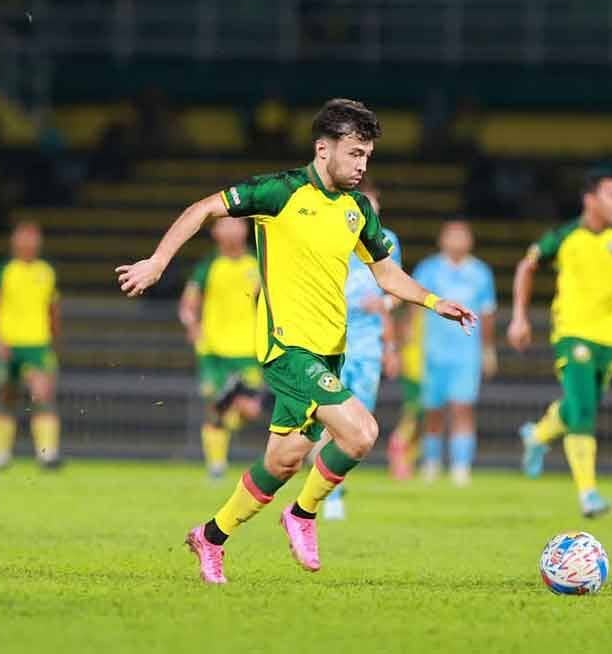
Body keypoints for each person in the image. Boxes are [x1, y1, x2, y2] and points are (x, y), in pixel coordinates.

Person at [115, 98, 477, 584]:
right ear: (323, 149)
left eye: (367, 156)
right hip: (287, 349)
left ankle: (210, 537)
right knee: (361, 432)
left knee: (283, 460)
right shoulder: (279, 192)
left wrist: (435, 302)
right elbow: (204, 208)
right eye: (354, 153)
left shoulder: (357, 210)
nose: (361, 165)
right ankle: (302, 514)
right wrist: (158, 262)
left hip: (330, 351)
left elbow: (387, 275)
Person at [507, 170, 612, 518]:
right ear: (590, 200)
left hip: (610, 339)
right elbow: (527, 266)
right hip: (572, 334)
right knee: (584, 411)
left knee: (578, 407)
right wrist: (519, 317)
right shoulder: (564, 236)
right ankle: (588, 494)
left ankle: (537, 436)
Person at [320, 178, 401, 520]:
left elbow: (396, 291)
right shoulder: (330, 235)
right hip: (330, 339)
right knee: (331, 419)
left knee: (359, 423)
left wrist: (385, 308)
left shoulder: (388, 241)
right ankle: (330, 494)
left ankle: (331, 485)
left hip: (368, 344)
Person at [412, 219, 498, 486]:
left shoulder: (481, 273)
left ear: (470, 241)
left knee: (463, 408)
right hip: (432, 351)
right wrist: (409, 344)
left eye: (462, 236)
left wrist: (488, 350)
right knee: (433, 410)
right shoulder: (428, 269)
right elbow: (414, 308)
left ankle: (461, 466)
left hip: (466, 354)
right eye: (452, 235)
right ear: (442, 240)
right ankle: (431, 462)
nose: (457, 241)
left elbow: (487, 314)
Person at [178, 217, 265, 480]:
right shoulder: (208, 266)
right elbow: (188, 303)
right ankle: (216, 466)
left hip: (248, 350)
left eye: (236, 224)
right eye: (224, 225)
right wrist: (192, 324)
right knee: (215, 406)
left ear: (245, 229)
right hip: (213, 351)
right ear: (215, 232)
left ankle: (224, 428)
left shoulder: (258, 263)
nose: (231, 229)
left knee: (250, 409)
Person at [0, 221, 61, 469]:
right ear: (14, 241)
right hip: (8, 343)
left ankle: (47, 454)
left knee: (42, 395)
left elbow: (53, 309)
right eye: (23, 238)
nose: (28, 243)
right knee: (6, 396)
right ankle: (0, 454)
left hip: (38, 344)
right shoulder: (2, 271)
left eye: (32, 238)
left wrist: (54, 341)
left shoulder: (46, 271)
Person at [386, 307, 424, 480]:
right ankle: (398, 444)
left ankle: (407, 459)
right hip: (415, 369)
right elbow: (403, 334)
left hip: (427, 368)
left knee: (422, 418)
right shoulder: (415, 310)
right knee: (413, 414)